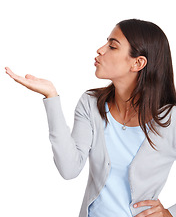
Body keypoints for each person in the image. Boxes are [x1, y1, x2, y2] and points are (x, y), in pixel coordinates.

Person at [5, 19, 175, 217]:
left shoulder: (170, 120)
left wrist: (169, 214)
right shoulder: (91, 103)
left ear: (138, 63)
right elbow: (69, 169)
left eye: (112, 46)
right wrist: (51, 97)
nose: (100, 50)